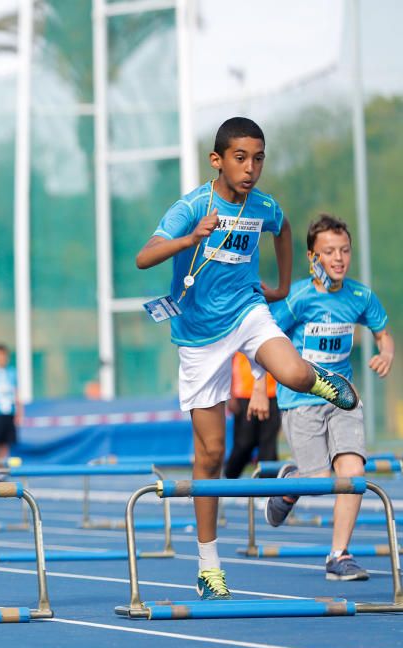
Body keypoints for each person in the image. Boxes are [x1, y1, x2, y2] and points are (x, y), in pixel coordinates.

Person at [135, 117, 360, 601]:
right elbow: (144, 257)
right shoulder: (195, 205)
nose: (251, 168)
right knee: (211, 454)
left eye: (258, 158)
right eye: (240, 158)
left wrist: (280, 285)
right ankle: (208, 566)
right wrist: (190, 239)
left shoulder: (263, 205)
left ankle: (322, 382)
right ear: (218, 160)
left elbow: (283, 229)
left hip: (247, 310)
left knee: (297, 372)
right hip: (197, 335)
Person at [264, 215, 394, 581]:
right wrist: (260, 386)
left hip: (342, 397)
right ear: (312, 257)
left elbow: (383, 334)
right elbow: (267, 342)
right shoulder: (299, 298)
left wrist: (385, 353)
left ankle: (339, 555)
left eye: (344, 251)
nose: (338, 258)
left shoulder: (360, 296)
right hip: (300, 399)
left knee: (352, 473)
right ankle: (292, 482)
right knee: (319, 479)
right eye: (329, 252)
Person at [223, 352, 279, 478]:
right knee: (244, 443)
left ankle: (268, 489)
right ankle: (228, 479)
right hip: (244, 395)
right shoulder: (237, 333)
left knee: (268, 446)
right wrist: (231, 394)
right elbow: (229, 360)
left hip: (272, 394)